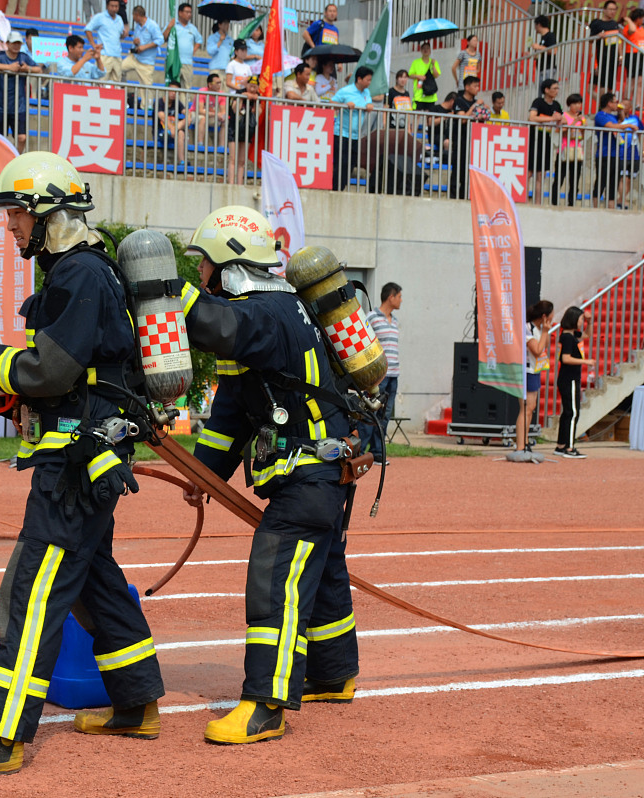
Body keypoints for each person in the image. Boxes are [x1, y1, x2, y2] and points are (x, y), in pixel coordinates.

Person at [0, 152, 164, 778]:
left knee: (34, 594)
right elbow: (67, 373)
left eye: (17, 216)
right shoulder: (79, 272)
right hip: (88, 455)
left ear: (49, 213)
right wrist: (14, 390)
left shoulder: (80, 275)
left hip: (76, 461)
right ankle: (137, 704)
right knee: (93, 580)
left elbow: (53, 370)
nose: (11, 228)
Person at [180, 209, 359, 746]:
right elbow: (235, 410)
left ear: (229, 263)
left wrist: (164, 291)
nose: (203, 278)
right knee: (323, 575)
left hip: (310, 476)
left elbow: (216, 326)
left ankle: (265, 705)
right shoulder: (276, 311)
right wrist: (204, 473)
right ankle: (332, 675)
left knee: (275, 580)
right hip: (326, 470)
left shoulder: (266, 313)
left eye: (205, 266)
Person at [357, 282, 400, 462]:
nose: (401, 301)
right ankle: (359, 453)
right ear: (391, 297)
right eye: (399, 296)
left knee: (385, 415)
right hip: (377, 376)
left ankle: (377, 453)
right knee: (369, 413)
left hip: (394, 374)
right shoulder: (372, 317)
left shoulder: (395, 321)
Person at [509, 300, 554, 462]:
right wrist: (544, 333)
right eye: (550, 315)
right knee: (525, 408)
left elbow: (545, 346)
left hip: (534, 371)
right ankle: (520, 445)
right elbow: (537, 350)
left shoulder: (538, 329)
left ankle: (526, 441)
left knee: (532, 407)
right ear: (544, 316)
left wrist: (545, 331)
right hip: (525, 371)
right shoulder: (527, 328)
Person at [0, 31, 42, 151]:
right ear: (7, 43)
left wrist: (28, 68)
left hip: (19, 105)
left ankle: (17, 157)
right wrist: (8, 68)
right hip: (0, 104)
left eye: (18, 43)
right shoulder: (0, 56)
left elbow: (38, 69)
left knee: (22, 137)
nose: (16, 46)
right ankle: (1, 161)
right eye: (14, 43)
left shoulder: (24, 57)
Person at [555, 306, 595, 458]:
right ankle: (570, 447)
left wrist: (589, 322)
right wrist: (586, 361)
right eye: (580, 319)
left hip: (568, 378)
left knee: (567, 412)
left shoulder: (571, 336)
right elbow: (565, 358)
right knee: (573, 413)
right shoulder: (567, 337)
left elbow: (586, 335)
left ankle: (561, 445)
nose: (581, 322)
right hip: (569, 379)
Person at [331, 66, 375, 190]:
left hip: (356, 135)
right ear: (359, 79)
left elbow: (368, 103)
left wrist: (370, 105)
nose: (369, 82)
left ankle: (341, 186)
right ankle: (335, 187)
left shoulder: (367, 92)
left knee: (351, 163)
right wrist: (344, 105)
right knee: (341, 162)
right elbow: (331, 103)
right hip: (341, 133)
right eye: (368, 80)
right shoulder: (346, 91)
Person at [593, 92, 633, 207]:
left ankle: (611, 207)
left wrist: (621, 110)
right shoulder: (600, 115)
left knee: (613, 182)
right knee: (601, 181)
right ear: (609, 103)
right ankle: (595, 206)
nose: (617, 104)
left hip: (616, 153)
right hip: (604, 153)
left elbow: (622, 120)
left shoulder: (613, 116)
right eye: (615, 102)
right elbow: (611, 126)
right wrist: (628, 126)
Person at [528, 79, 564, 203]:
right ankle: (524, 200)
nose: (556, 91)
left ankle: (538, 203)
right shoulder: (538, 102)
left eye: (558, 88)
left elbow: (562, 119)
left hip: (546, 140)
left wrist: (560, 119)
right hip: (534, 138)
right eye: (554, 88)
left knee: (540, 174)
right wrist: (551, 118)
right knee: (528, 172)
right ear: (546, 90)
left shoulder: (556, 105)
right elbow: (532, 118)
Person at [450, 75, 482, 198]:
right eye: (475, 86)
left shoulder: (477, 102)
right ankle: (453, 196)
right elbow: (463, 119)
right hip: (461, 140)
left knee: (468, 172)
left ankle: (465, 196)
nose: (477, 89)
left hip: (473, 140)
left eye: (478, 86)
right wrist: (474, 107)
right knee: (458, 169)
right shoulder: (459, 101)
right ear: (467, 87)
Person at [553, 92, 587, 206]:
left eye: (579, 103)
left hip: (577, 150)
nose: (577, 106)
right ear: (569, 104)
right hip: (564, 150)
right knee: (559, 178)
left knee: (575, 179)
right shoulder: (564, 116)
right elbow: (560, 131)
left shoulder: (582, 118)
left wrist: (582, 127)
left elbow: (582, 136)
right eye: (575, 103)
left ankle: (571, 202)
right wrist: (574, 122)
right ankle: (554, 202)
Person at [226, 76, 260, 184]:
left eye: (255, 87)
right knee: (233, 158)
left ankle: (240, 182)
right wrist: (243, 97)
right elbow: (235, 110)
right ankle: (231, 182)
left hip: (247, 130)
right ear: (246, 85)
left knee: (242, 161)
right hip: (235, 128)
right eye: (250, 86)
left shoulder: (257, 97)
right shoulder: (239, 92)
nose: (252, 89)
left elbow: (257, 113)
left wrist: (255, 100)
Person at [163, 3, 203, 89]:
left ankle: (183, 103)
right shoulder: (173, 25)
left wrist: (193, 51)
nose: (189, 14)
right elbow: (163, 38)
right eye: (187, 12)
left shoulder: (192, 28)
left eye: (190, 12)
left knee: (186, 88)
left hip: (187, 62)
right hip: (173, 60)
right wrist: (169, 27)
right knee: (172, 86)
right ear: (180, 13)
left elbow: (199, 40)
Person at [122, 5, 163, 87]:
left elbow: (160, 40)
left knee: (146, 91)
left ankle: (147, 100)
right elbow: (137, 42)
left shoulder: (152, 25)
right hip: (135, 58)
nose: (133, 18)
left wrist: (144, 47)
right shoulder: (137, 26)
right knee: (119, 69)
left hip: (146, 63)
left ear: (137, 15)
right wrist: (135, 42)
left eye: (133, 15)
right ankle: (122, 88)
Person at [84, 0, 125, 82]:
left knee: (117, 85)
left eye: (116, 6)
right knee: (101, 82)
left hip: (117, 56)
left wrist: (124, 34)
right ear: (107, 6)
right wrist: (93, 44)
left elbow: (119, 35)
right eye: (112, 6)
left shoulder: (120, 19)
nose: (114, 8)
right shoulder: (100, 17)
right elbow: (88, 29)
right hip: (104, 56)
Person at [155, 80, 191, 168]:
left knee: (182, 132)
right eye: (171, 90)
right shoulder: (159, 102)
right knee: (179, 132)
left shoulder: (177, 103)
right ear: (167, 90)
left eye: (176, 92)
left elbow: (187, 113)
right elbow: (162, 117)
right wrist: (171, 128)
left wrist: (174, 129)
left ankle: (181, 161)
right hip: (161, 133)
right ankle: (181, 160)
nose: (173, 93)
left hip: (172, 132)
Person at [590, 0, 623, 97]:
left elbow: (618, 41)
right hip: (601, 57)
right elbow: (590, 40)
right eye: (610, 9)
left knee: (610, 85)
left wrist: (620, 55)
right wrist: (598, 36)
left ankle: (606, 105)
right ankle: (601, 107)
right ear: (604, 10)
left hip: (613, 58)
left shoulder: (615, 24)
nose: (612, 12)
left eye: (614, 9)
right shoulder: (597, 23)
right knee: (601, 83)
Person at [195, 72, 229, 147]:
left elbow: (223, 111)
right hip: (196, 113)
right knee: (203, 119)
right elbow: (200, 110)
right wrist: (216, 114)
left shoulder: (222, 94)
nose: (219, 85)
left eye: (220, 83)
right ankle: (199, 144)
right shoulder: (202, 92)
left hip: (211, 115)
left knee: (225, 120)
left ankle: (221, 146)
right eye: (217, 83)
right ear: (210, 85)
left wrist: (222, 116)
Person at [408, 42, 441, 110]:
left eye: (427, 48)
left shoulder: (434, 62)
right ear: (421, 50)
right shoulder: (415, 62)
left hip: (430, 95)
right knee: (417, 115)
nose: (425, 50)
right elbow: (410, 75)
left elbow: (436, 75)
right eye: (423, 48)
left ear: (430, 50)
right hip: (419, 94)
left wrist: (433, 64)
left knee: (429, 117)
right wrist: (418, 76)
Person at [624, 10, 644, 109]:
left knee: (639, 81)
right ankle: (626, 102)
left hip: (641, 55)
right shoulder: (629, 26)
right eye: (642, 17)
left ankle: (638, 104)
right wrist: (628, 19)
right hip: (632, 54)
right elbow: (632, 30)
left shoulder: (641, 28)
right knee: (631, 80)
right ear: (637, 18)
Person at [531, 15, 557, 86]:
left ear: (539, 25)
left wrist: (539, 47)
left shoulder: (550, 36)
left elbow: (553, 51)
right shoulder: (543, 38)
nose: (535, 28)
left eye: (535, 25)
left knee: (545, 91)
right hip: (542, 69)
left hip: (548, 68)